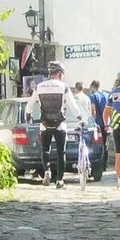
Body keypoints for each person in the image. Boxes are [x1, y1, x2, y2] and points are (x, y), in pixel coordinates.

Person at [32, 60, 88, 189]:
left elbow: (30, 104)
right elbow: (72, 105)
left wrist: (29, 114)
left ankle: (47, 171)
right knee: (61, 153)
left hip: (44, 124)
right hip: (60, 124)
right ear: (60, 73)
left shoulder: (39, 86)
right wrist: (80, 118)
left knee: (45, 150)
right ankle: (59, 180)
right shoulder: (64, 87)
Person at [86, 79, 110, 180]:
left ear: (92, 86)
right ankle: (104, 165)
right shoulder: (107, 95)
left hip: (98, 124)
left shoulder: (93, 96)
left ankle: (98, 166)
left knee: (96, 146)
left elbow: (94, 111)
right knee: (105, 145)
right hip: (106, 124)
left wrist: (92, 122)